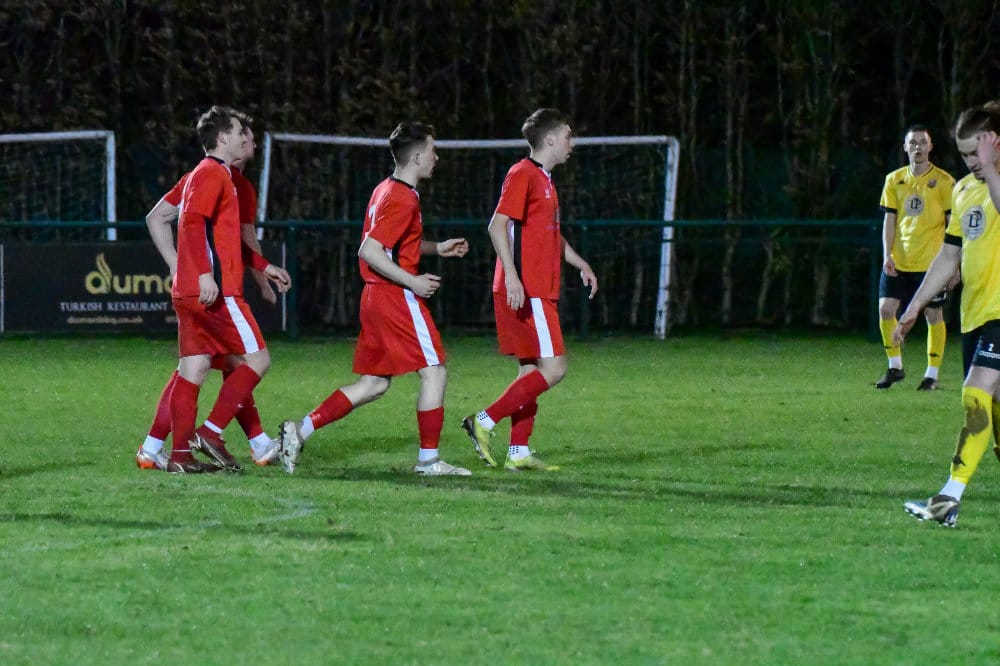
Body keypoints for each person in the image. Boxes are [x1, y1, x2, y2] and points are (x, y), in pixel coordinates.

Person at [277, 121, 471, 476]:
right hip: (394, 296)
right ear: (416, 157)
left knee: (374, 384)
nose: (436, 157)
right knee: (435, 372)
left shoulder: (386, 188)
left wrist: (436, 248)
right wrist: (412, 282)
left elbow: (393, 245)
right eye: (432, 151)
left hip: (375, 297)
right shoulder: (402, 197)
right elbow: (369, 250)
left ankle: (299, 431)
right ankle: (429, 461)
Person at [138, 113, 281, 471]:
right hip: (218, 291)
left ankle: (179, 455)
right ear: (223, 138)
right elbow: (192, 222)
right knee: (256, 361)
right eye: (240, 132)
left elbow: (180, 224)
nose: (246, 140)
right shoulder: (213, 173)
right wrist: (202, 273)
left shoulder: (203, 175)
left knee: (194, 367)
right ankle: (212, 433)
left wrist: (262, 267)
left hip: (193, 290)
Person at [461, 108, 597, 472]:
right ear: (550, 139)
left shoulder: (545, 179)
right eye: (567, 136)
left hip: (535, 287)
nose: (571, 144)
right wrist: (513, 277)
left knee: (530, 371)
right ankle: (483, 421)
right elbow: (496, 226)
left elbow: (549, 236)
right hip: (528, 288)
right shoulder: (522, 173)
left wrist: (580, 263)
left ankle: (518, 451)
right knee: (555, 368)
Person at [896, 104, 1000, 527]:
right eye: (965, 155)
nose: (972, 162)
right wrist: (915, 305)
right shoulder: (964, 191)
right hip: (975, 315)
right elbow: (949, 255)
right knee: (994, 418)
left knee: (975, 394)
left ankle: (947, 498)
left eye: (977, 152)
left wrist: (991, 168)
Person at [874, 125, 955, 390]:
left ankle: (931, 375)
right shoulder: (894, 179)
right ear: (905, 147)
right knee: (886, 309)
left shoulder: (944, 181)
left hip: (931, 263)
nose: (917, 147)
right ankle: (895, 367)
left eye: (922, 142)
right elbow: (890, 220)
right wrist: (887, 255)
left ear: (930, 147)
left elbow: (953, 224)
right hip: (899, 260)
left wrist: (954, 264)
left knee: (933, 314)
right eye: (913, 142)